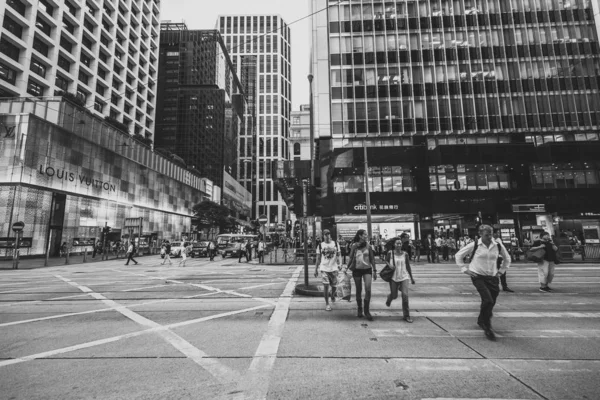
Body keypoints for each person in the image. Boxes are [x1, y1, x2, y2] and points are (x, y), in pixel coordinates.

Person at [455, 224, 511, 340]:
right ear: (480, 234)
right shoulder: (474, 245)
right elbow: (459, 255)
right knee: (488, 300)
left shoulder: (497, 245)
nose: (490, 237)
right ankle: (487, 326)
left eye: (491, 234)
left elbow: (507, 258)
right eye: (487, 235)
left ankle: (481, 319)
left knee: (491, 301)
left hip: (492, 277)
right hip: (477, 276)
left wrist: (501, 272)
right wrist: (465, 269)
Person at [384, 234, 416, 323]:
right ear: (394, 244)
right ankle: (390, 297)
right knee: (394, 296)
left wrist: (411, 277)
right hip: (394, 277)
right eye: (397, 243)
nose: (399, 245)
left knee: (405, 296)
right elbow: (386, 260)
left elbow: (408, 266)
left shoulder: (405, 254)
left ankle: (406, 315)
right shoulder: (390, 253)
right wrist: (389, 265)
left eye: (400, 243)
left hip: (404, 277)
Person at [347, 229, 377, 321]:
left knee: (368, 289)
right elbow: (351, 257)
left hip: (367, 270)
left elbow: (372, 259)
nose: (366, 235)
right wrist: (346, 268)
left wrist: (375, 270)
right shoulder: (354, 246)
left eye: (366, 234)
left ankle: (367, 311)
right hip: (356, 270)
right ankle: (360, 308)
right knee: (358, 290)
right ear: (360, 236)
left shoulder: (369, 246)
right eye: (364, 234)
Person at [313, 229, 341, 311]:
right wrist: (315, 269)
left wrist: (340, 264)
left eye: (328, 234)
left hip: (334, 268)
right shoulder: (320, 245)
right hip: (324, 268)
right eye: (325, 234)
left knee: (334, 286)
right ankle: (327, 304)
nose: (327, 235)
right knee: (326, 286)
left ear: (330, 235)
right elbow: (318, 258)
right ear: (323, 236)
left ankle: (332, 295)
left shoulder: (335, 244)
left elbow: (339, 255)